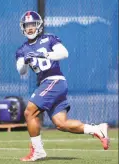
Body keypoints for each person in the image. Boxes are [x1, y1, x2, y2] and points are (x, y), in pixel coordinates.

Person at [15, 11, 110, 162]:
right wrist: (25, 61)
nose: (30, 28)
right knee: (61, 123)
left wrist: (44, 55)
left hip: (54, 80)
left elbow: (64, 53)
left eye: (33, 24)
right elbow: (22, 71)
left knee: (29, 112)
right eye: (27, 25)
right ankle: (97, 129)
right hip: (47, 84)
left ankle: (38, 151)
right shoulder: (22, 49)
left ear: (38, 26)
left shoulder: (49, 39)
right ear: (23, 28)